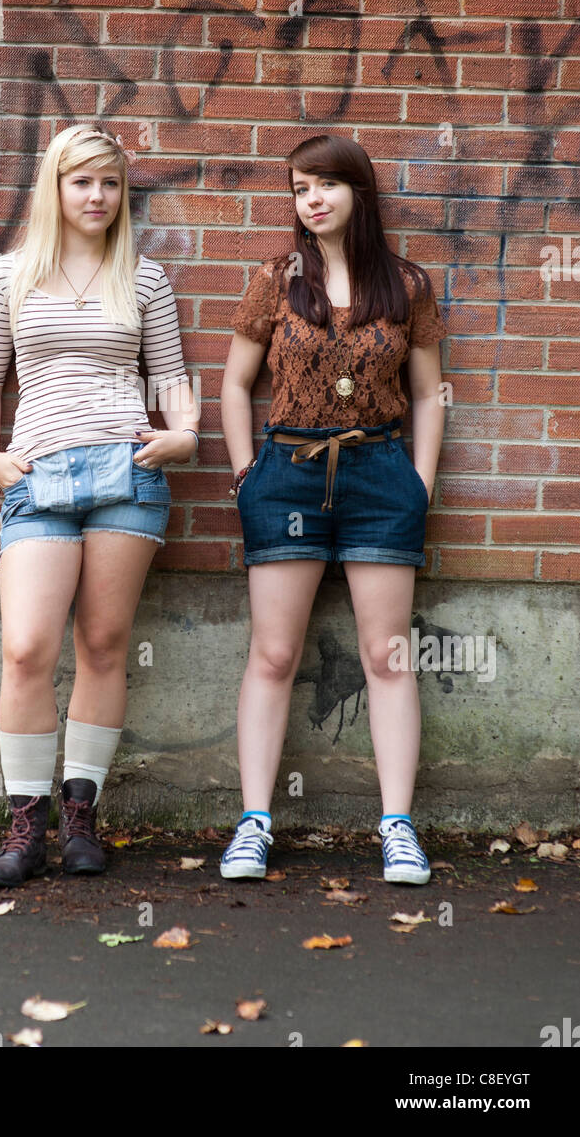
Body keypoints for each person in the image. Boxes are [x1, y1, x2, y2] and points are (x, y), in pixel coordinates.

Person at [0, 124, 199, 887]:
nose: (96, 196)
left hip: (127, 473)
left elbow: (169, 375)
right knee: (27, 648)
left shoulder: (145, 278)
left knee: (102, 643)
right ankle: (24, 828)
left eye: (109, 183)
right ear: (55, 188)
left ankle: (78, 820)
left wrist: (184, 433)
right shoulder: (8, 276)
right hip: (38, 479)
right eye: (81, 182)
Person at [220, 133, 447, 885]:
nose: (310, 199)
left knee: (385, 657)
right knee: (274, 654)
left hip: (379, 473)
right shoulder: (274, 279)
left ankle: (395, 827)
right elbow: (232, 384)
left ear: (358, 191)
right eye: (297, 188)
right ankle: (254, 822)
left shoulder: (407, 285)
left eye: (324, 184)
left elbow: (426, 394)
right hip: (285, 474)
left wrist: (417, 481)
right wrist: (244, 473)